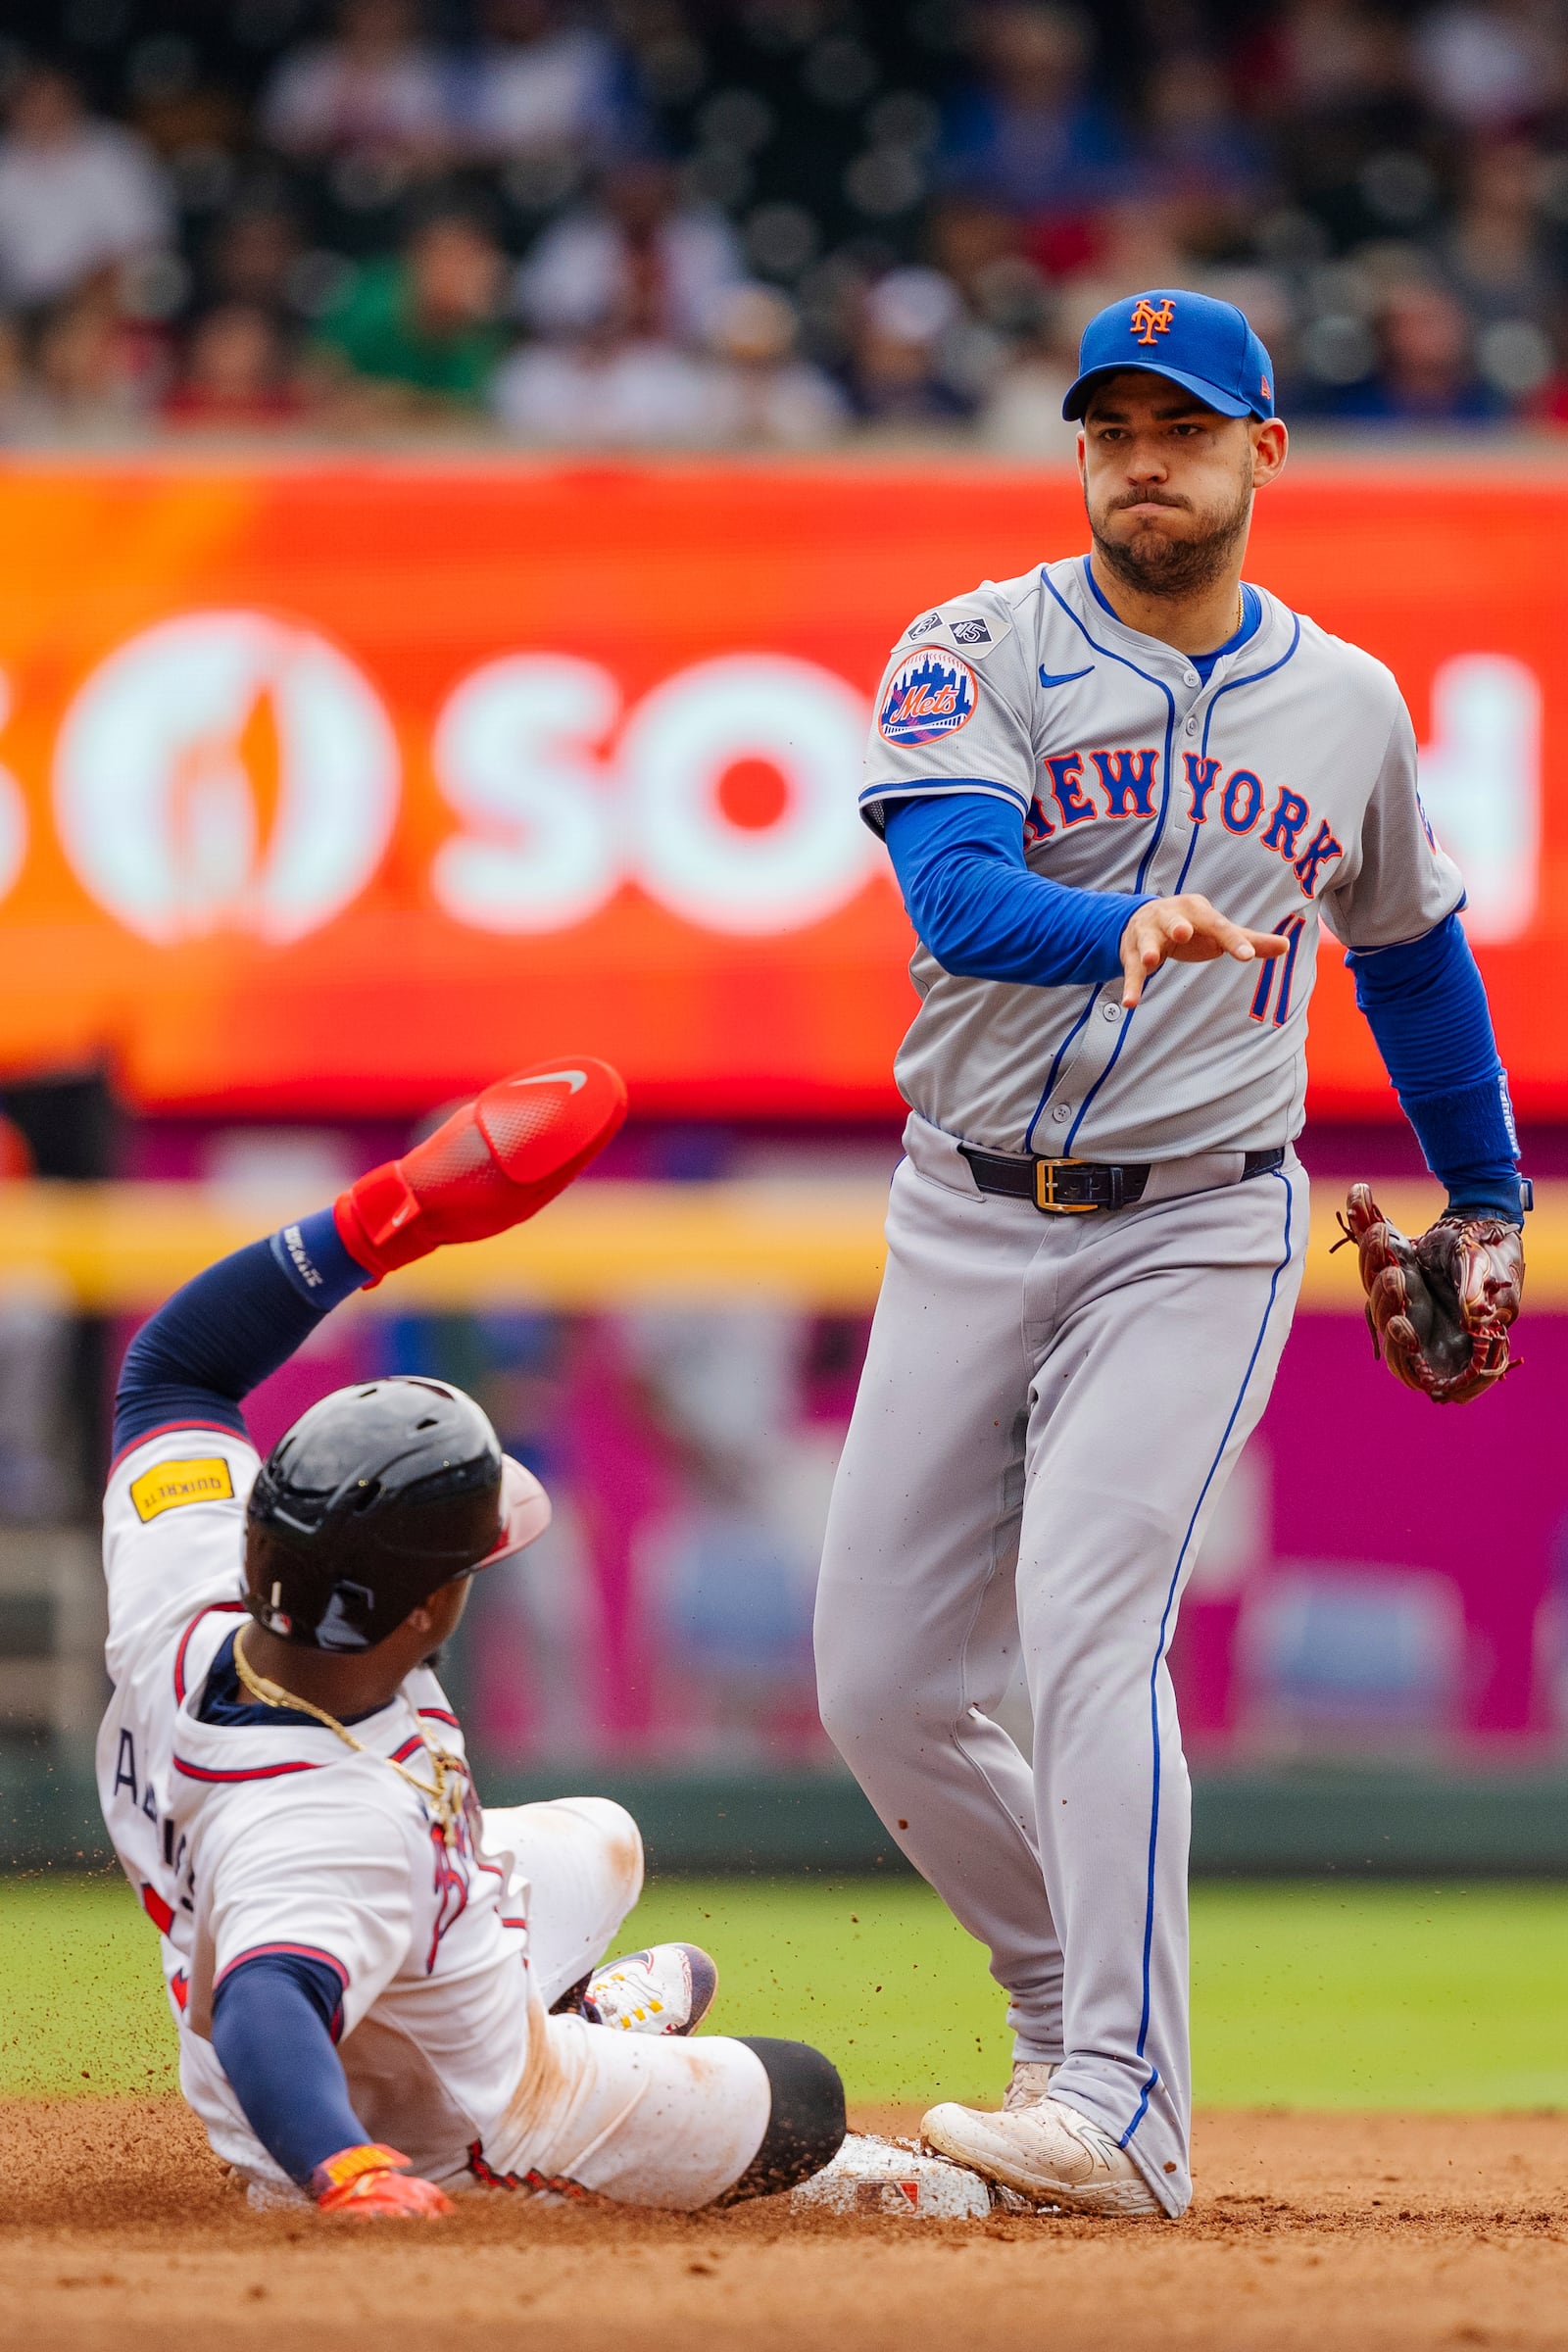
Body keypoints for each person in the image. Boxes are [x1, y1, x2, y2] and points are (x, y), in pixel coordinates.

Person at [813, 288, 1527, 2218]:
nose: (1144, 459)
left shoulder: (1347, 703)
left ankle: (1125, 2112)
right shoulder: (968, 646)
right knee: (872, 1681)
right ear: (1076, 454)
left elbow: (1407, 955)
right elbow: (957, 894)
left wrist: (1487, 1203)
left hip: (1198, 1217)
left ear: (1256, 453)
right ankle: (1065, 2003)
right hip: (962, 1200)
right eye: (1110, 427)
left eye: (1181, 427)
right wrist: (1111, 923)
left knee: (1086, 1624)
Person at [98, 1058, 845, 2215]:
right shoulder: (324, 1822)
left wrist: (383, 1213)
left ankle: (560, 2005)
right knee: (807, 2096)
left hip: (386, 1942)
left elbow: (173, 1367)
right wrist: (342, 2169)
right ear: (427, 1610)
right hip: (449, 2114)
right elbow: (262, 2003)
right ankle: (566, 2056)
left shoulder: (186, 1590)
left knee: (607, 1838)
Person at [0, 61, 172, 316]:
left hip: (104, 298)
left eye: (53, 98)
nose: (42, 109)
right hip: (20, 307)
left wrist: (90, 288)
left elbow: (148, 236)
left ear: (73, 101)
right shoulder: (5, 161)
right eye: (32, 100)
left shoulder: (115, 152)